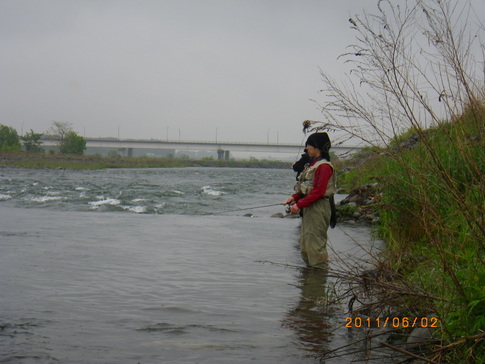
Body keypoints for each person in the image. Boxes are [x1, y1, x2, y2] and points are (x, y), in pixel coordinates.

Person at [285, 132, 337, 267]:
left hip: (319, 208)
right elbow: (308, 187)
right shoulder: (313, 164)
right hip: (309, 207)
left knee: (315, 249)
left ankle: (318, 282)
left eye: (308, 145)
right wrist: (295, 198)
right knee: (305, 247)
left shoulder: (324, 167)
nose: (306, 148)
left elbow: (318, 192)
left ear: (317, 148)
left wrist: (299, 205)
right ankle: (309, 284)